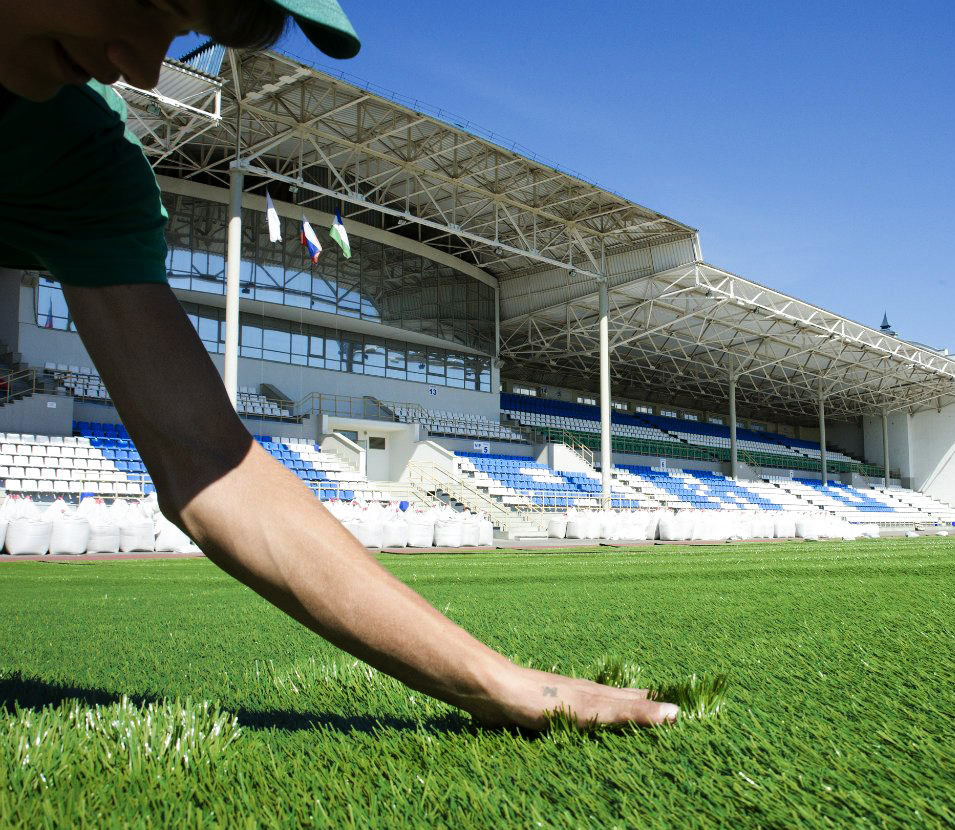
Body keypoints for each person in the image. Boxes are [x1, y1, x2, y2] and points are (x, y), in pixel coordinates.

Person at [0, 0, 678, 730]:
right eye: (154, 1)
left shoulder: (77, 158)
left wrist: (495, 680)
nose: (142, 66)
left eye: (182, 32)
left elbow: (209, 463)